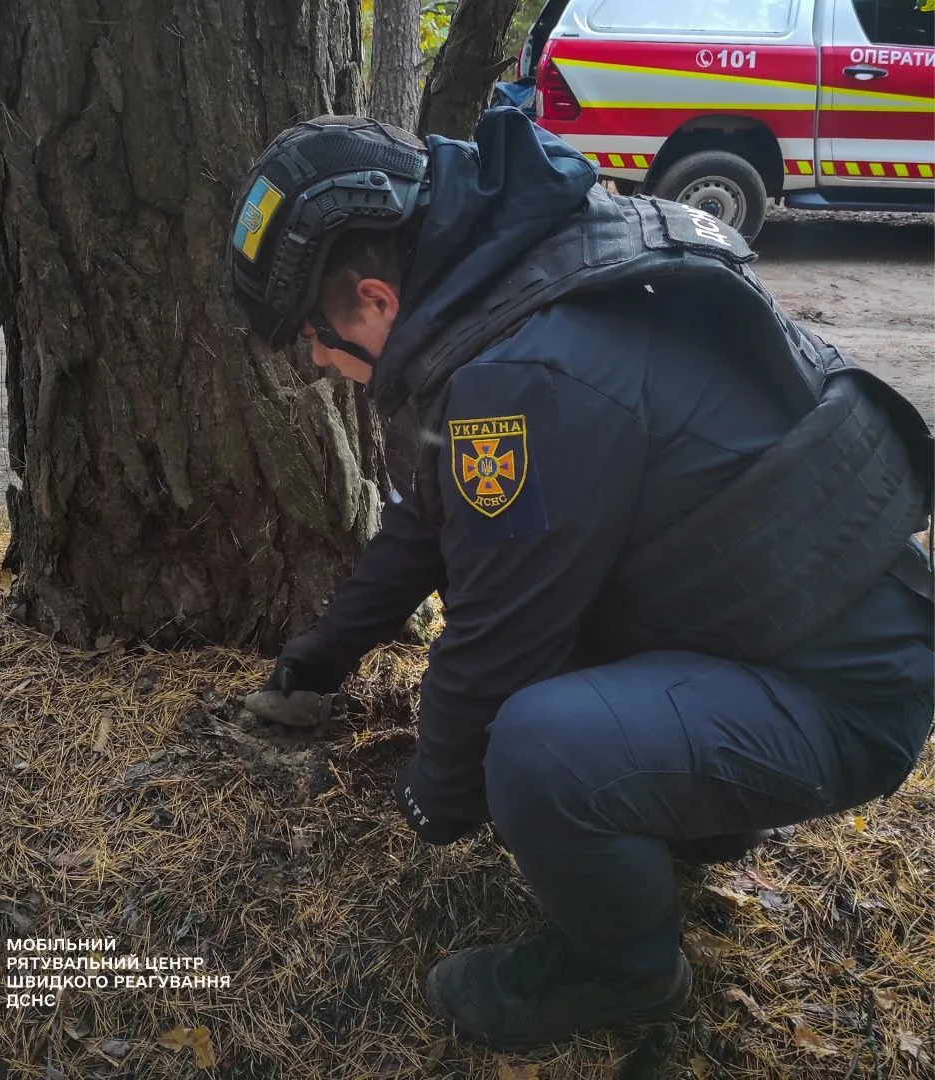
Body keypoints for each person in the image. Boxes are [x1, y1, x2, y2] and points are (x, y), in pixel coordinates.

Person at [225, 109, 934, 1053]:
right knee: (552, 695)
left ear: (374, 299)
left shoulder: (519, 373)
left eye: (314, 336)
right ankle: (687, 814)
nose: (316, 360)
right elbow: (429, 524)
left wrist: (435, 799)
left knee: (534, 743)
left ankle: (627, 972)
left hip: (841, 699)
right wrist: (314, 663)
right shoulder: (513, 283)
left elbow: (494, 639)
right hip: (783, 627)